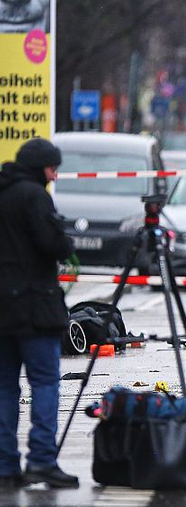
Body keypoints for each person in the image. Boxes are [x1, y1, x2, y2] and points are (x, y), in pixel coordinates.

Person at [0, 138, 78, 488]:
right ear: (40, 168)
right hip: (35, 307)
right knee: (45, 382)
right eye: (52, 168)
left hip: (3, 309)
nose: (55, 174)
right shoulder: (34, 196)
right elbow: (53, 245)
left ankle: (5, 465)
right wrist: (65, 237)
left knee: (4, 388)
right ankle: (42, 460)